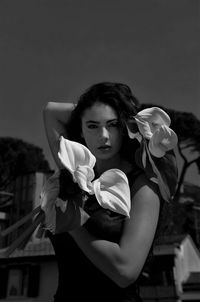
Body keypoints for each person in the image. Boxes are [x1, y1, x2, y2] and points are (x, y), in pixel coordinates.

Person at [42, 82, 178, 302]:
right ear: (81, 131)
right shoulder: (75, 171)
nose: (104, 135)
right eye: (93, 126)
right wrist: (95, 106)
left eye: (113, 125)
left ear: (125, 127)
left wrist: (69, 219)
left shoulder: (143, 185)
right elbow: (51, 111)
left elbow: (125, 271)